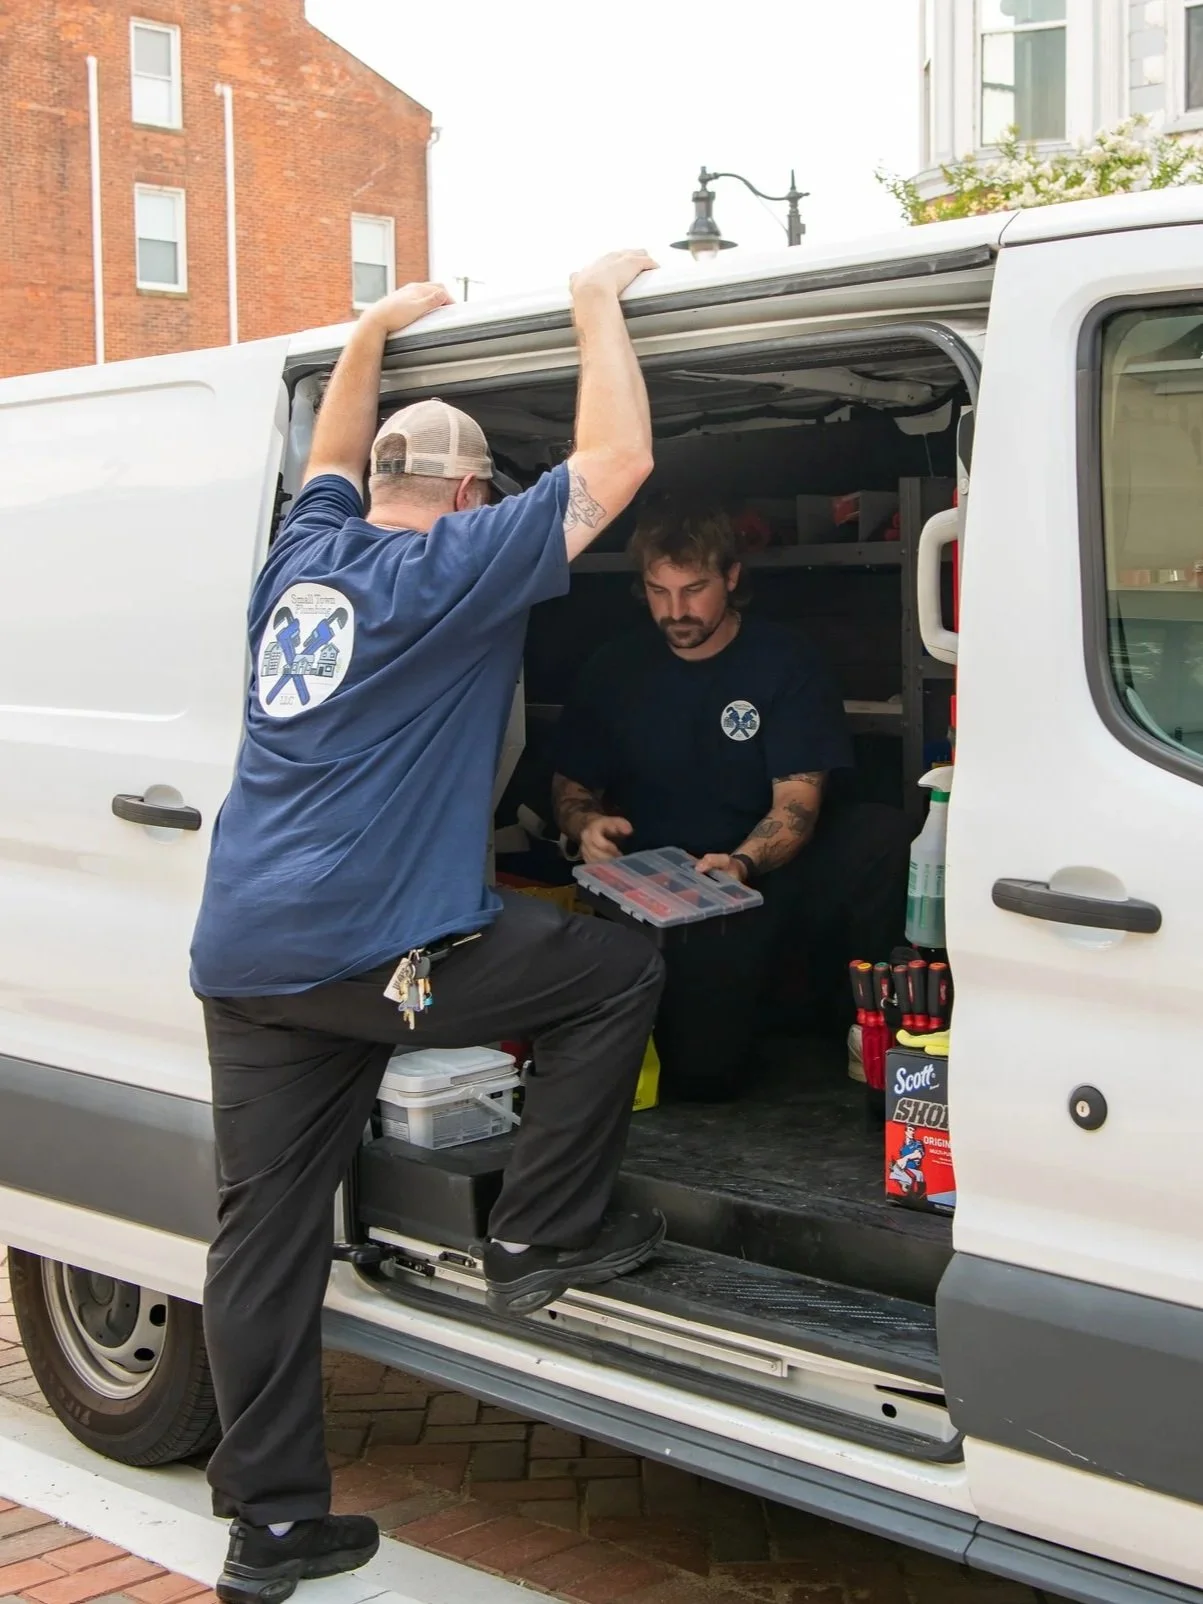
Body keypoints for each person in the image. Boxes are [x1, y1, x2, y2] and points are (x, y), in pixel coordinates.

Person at [189, 253, 666, 1604]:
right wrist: (592, 304)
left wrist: (367, 332)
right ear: (465, 497)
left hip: (246, 959)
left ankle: (271, 1530)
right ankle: (538, 1232)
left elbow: (327, 453)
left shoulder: (302, 560)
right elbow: (616, 461)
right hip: (369, 951)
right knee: (614, 965)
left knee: (261, 1239)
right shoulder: (452, 565)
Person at [552, 499, 911, 1103]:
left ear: (732, 578)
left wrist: (742, 864)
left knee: (880, 836)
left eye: (694, 590)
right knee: (701, 1076)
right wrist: (586, 824)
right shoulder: (615, 668)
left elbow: (797, 803)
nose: (676, 611)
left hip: (761, 868)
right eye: (658, 591)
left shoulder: (783, 660)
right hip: (671, 887)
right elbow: (571, 785)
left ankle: (867, 1028)